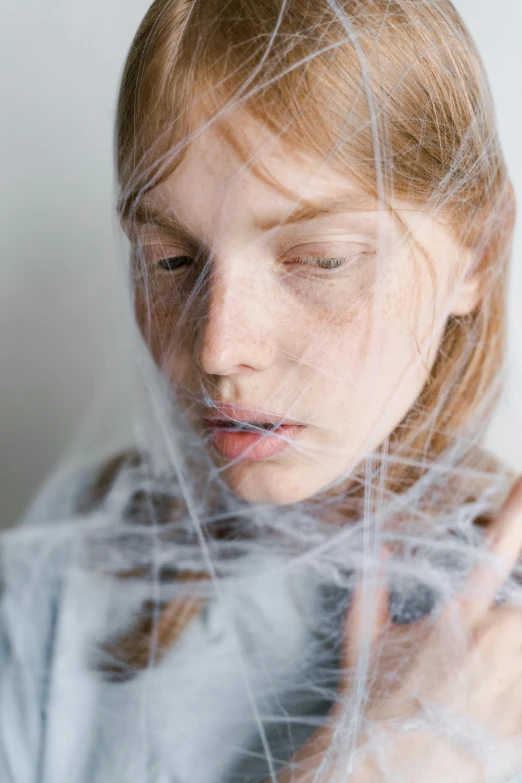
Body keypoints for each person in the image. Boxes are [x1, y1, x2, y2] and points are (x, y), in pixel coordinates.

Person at [2, 0, 522, 780]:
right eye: (171, 259)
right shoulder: (65, 577)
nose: (218, 349)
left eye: (320, 259)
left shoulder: (498, 653)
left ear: (477, 255)